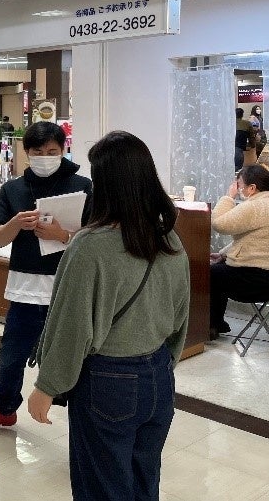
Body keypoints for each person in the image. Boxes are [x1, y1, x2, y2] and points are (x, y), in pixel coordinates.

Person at [27, 130, 190, 501]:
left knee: (102, 488)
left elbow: (72, 327)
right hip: (159, 377)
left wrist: (47, 386)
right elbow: (180, 315)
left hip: (107, 380)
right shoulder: (168, 238)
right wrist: (162, 363)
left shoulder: (90, 245)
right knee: (144, 483)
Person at [0, 121, 92, 431]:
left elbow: (96, 238)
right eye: (38, 152)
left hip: (67, 288)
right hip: (24, 288)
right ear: (27, 153)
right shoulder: (13, 189)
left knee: (73, 357)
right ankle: (4, 408)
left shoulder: (83, 186)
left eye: (52, 151)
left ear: (63, 150)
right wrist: (16, 224)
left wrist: (62, 235)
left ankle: (83, 419)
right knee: (11, 356)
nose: (45, 158)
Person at [209, 165, 269, 339]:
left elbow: (218, 224)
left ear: (252, 188)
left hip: (259, 281)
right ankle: (215, 323)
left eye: (239, 184)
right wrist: (224, 254)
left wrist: (229, 197)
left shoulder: (256, 205)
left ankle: (211, 325)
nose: (237, 188)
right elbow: (253, 239)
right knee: (220, 269)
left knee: (208, 274)